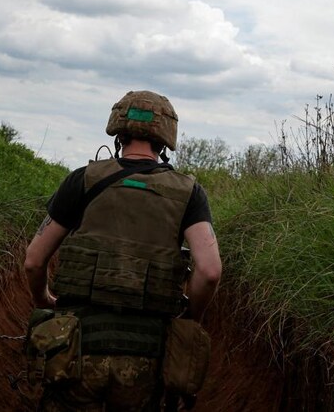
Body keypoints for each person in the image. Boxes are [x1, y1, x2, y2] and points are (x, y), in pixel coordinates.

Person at [24, 90, 222, 412]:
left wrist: (44, 299)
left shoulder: (82, 180)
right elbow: (210, 271)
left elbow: (34, 261)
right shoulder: (190, 193)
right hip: (147, 358)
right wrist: (192, 315)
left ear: (118, 131)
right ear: (165, 138)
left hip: (76, 349)